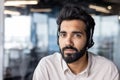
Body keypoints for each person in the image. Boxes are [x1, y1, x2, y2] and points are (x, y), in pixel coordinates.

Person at [33, 3, 120, 80]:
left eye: (77, 35)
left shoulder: (107, 70)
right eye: (63, 35)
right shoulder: (47, 66)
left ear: (89, 40)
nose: (68, 42)